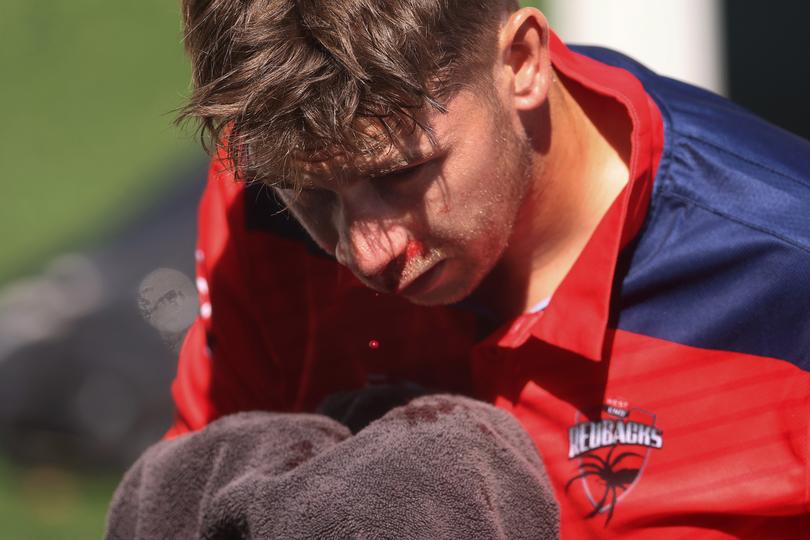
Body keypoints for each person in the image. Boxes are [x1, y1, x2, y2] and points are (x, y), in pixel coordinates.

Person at [117, 0, 810, 538]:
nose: (366, 253)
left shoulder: (785, 272)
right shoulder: (255, 211)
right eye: (312, 195)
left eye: (402, 173)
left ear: (522, 62)